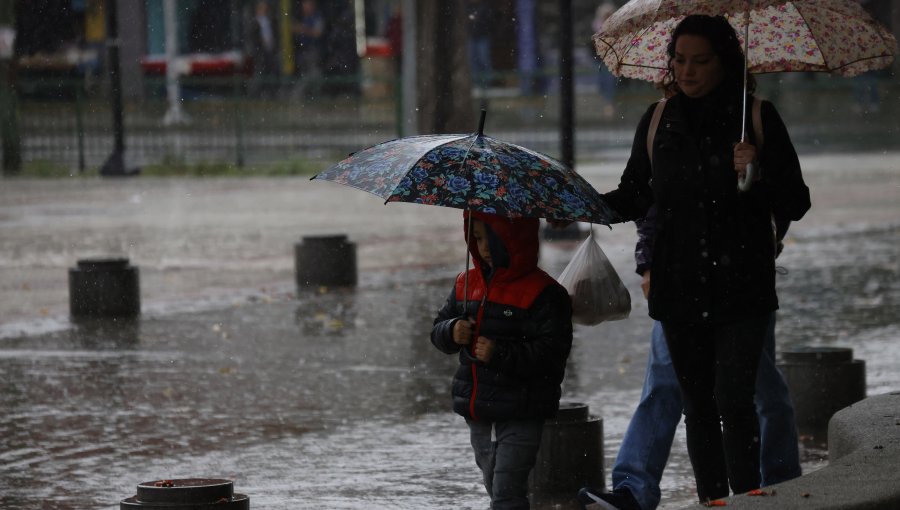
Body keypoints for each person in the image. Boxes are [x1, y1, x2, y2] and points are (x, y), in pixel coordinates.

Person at [579, 14, 811, 506]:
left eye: (700, 61)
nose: (686, 71)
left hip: (742, 285)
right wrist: (584, 206)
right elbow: (635, 192)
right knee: (698, 405)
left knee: (734, 399)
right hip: (679, 285)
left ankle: (747, 495)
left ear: (724, 63)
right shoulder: (660, 119)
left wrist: (757, 171)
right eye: (679, 59)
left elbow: (796, 201)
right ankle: (713, 501)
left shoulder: (758, 117)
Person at [578, 206, 803, 510]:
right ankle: (635, 488)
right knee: (669, 382)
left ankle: (779, 480)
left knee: (755, 391)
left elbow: (790, 195)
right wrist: (648, 261)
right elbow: (646, 192)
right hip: (681, 277)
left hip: (743, 279)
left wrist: (766, 234)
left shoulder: (754, 163)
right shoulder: (664, 163)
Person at [431, 211, 573, 510]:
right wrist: (452, 330)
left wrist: (499, 354)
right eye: (477, 238)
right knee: (494, 483)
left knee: (508, 490)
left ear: (513, 238)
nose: (482, 247)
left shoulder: (544, 293)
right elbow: (438, 330)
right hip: (479, 409)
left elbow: (551, 354)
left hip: (522, 408)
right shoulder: (466, 285)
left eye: (490, 237)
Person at [291, 0, 324, 98]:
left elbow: (317, 33)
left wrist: (302, 29)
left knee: (313, 73)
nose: (305, 7)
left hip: (313, 50)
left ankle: (312, 94)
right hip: (303, 51)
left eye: (307, 5)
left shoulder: (317, 17)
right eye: (304, 5)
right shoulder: (303, 17)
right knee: (304, 73)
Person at [247, 1, 279, 98]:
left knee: (270, 74)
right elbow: (253, 39)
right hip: (260, 54)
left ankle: (270, 94)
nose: (264, 11)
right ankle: (254, 95)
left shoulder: (270, 21)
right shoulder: (254, 23)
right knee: (259, 74)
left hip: (269, 53)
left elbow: (274, 36)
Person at [591, 2, 618, 118]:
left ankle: (608, 105)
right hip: (600, 61)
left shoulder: (616, 29)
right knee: (602, 82)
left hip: (611, 62)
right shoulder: (596, 29)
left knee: (609, 81)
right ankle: (605, 104)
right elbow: (593, 48)